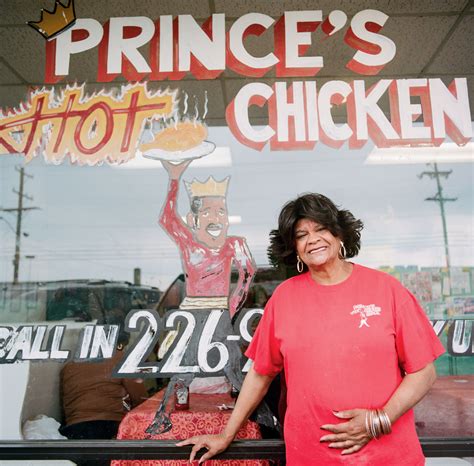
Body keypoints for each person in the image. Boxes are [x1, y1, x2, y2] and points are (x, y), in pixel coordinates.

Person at [177, 193, 445, 465]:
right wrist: (226, 435)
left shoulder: (387, 290)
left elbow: (424, 371)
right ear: (294, 248)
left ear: (340, 234)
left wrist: (379, 419)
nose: (313, 239)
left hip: (387, 455)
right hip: (312, 455)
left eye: (321, 229)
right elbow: (260, 375)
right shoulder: (284, 299)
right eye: (301, 235)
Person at [159, 160, 256, 318]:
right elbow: (167, 218)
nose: (215, 219)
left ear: (227, 219)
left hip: (221, 311)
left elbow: (247, 274)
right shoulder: (188, 243)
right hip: (191, 313)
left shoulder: (235, 244)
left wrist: (231, 309)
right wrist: (174, 179)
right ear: (192, 220)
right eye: (206, 212)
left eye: (220, 212)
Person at [60, 334, 147, 464]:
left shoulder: (69, 367)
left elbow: (66, 405)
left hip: (75, 431)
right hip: (110, 427)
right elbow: (141, 400)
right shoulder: (120, 359)